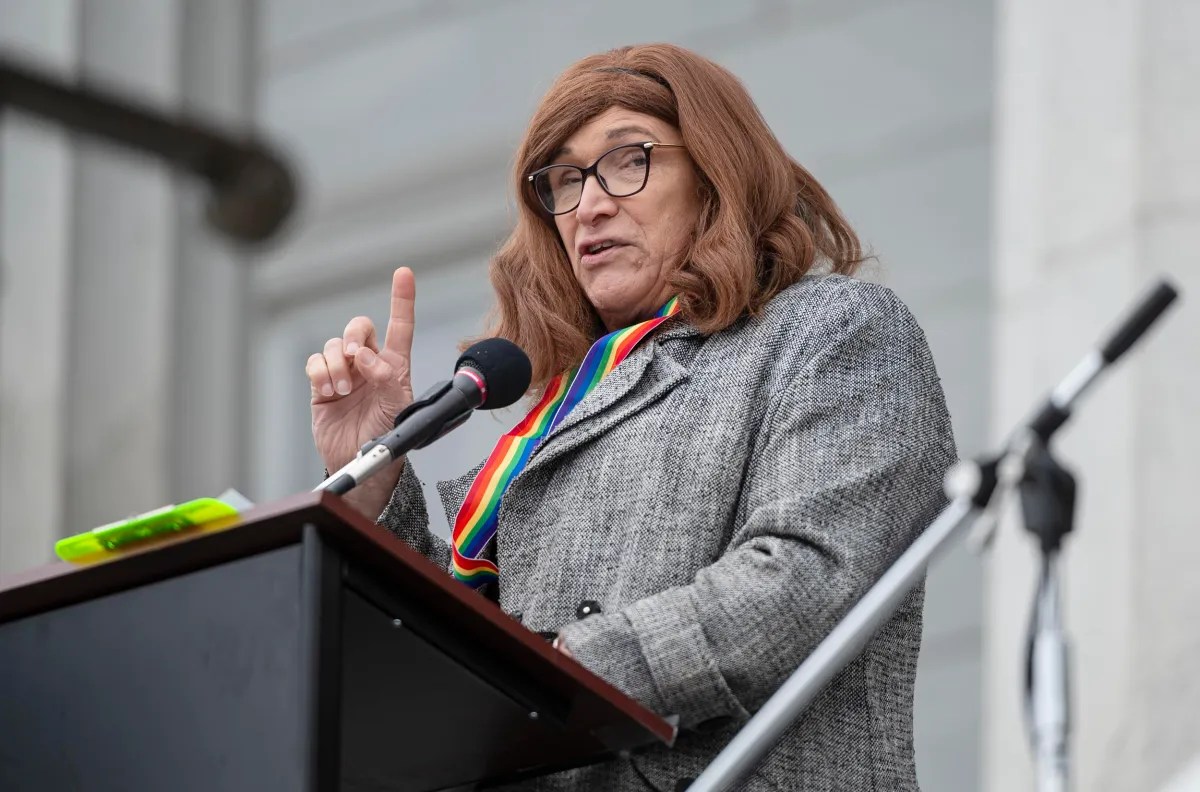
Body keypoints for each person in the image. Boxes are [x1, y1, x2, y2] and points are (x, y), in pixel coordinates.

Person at [306, 43, 955, 792]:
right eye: (565, 180)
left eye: (628, 159)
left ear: (718, 174)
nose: (590, 203)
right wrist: (372, 482)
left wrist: (553, 676)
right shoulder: (558, 406)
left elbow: (801, 581)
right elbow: (444, 663)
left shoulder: (832, 329)